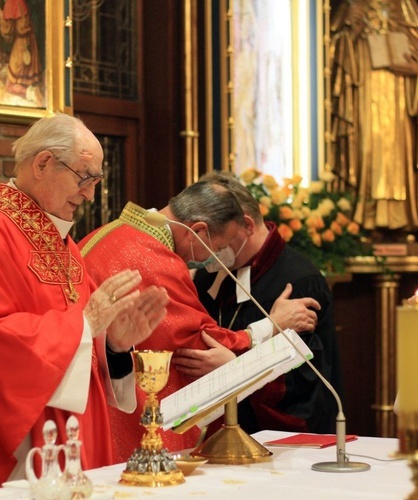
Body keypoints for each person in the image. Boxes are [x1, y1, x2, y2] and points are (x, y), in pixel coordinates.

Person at [0, 113, 170, 499]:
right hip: (20, 451)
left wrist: (112, 345)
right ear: (43, 163)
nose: (90, 194)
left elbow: (82, 339)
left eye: (96, 181)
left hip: (72, 439)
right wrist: (84, 325)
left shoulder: (65, 245)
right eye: (84, 177)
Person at [79, 178, 320, 463]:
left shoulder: (111, 232)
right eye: (218, 247)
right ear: (198, 231)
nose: (216, 258)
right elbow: (197, 340)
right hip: (115, 403)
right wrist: (270, 325)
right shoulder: (155, 259)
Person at [175, 171, 344, 435]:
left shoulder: (298, 281)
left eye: (221, 237)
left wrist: (234, 368)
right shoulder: (209, 276)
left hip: (275, 436)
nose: (213, 248)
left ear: (247, 225)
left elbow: (300, 381)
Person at [328, 0, 418, 233]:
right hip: (362, 94)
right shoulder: (351, 5)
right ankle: (363, 219)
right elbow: (332, 56)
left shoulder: (405, 5)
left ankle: (404, 221)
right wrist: (352, 28)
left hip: (399, 97)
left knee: (398, 154)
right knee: (365, 150)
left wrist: (417, 70)